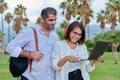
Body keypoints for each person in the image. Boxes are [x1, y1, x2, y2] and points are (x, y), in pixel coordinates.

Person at [6, 7, 59, 80]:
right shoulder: (29, 32)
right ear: (42, 20)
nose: (54, 22)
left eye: (55, 19)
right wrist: (29, 54)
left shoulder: (55, 36)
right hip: (30, 77)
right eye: (51, 20)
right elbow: (10, 47)